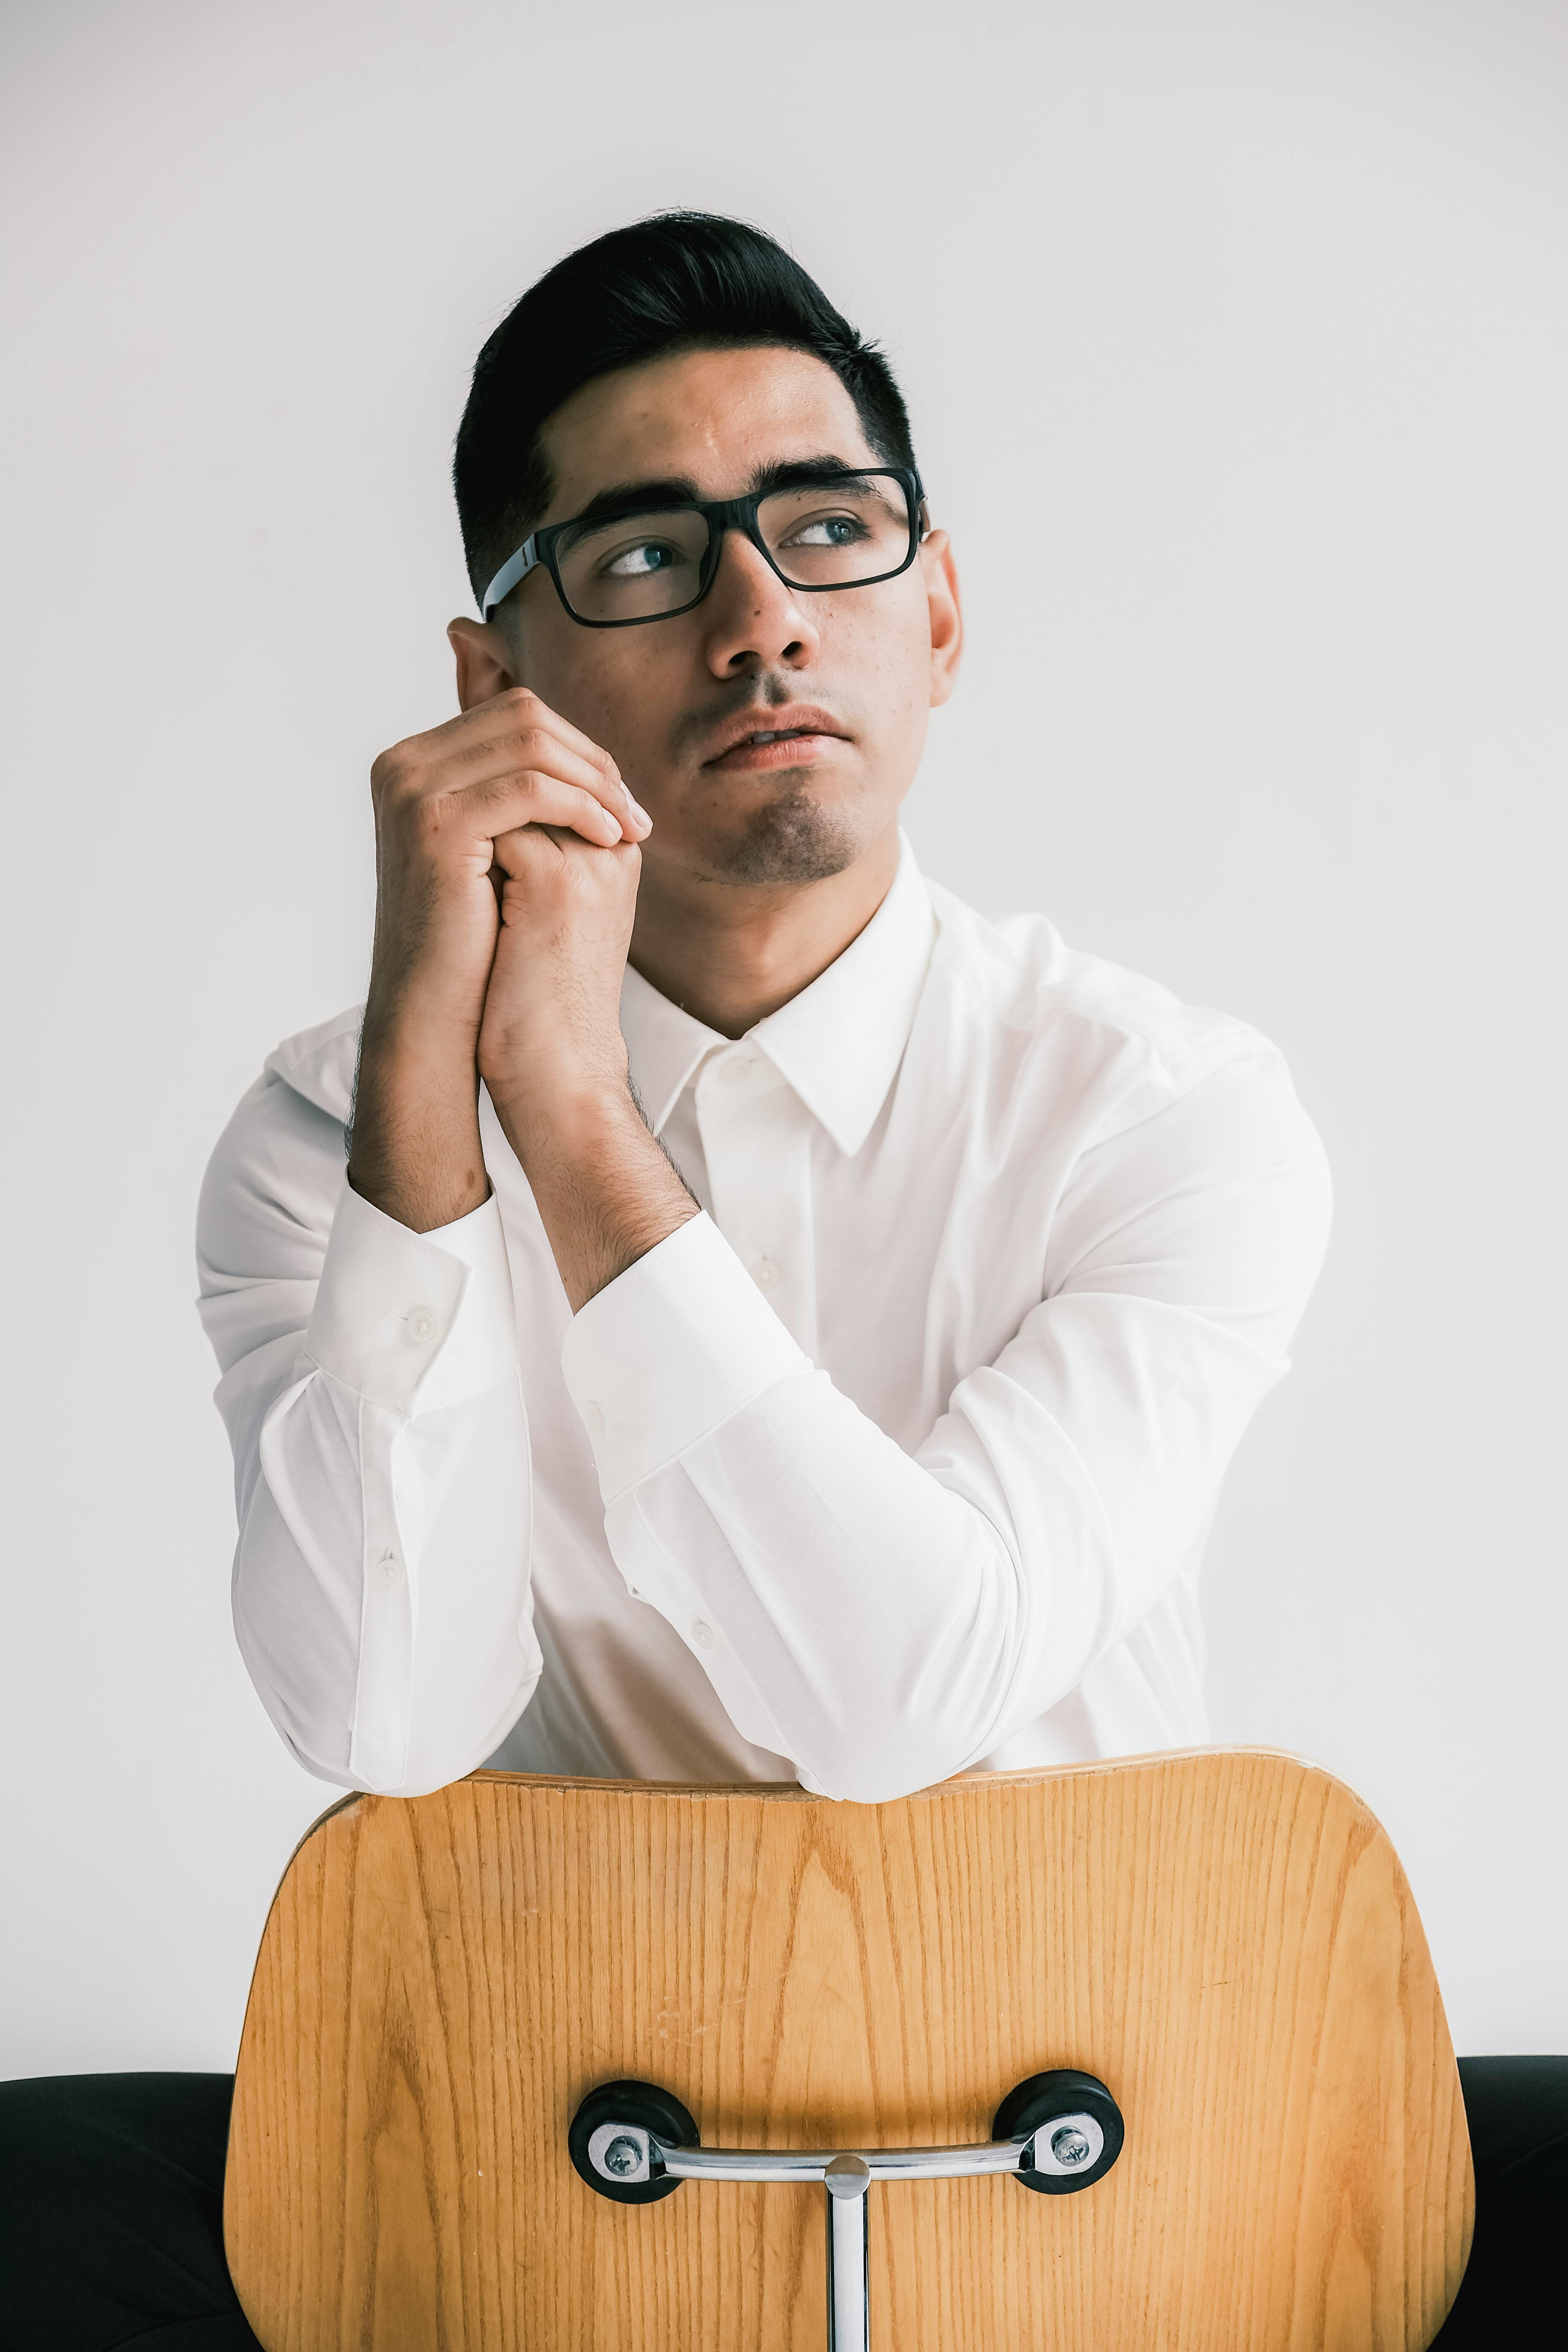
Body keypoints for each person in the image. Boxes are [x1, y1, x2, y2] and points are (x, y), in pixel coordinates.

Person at [1, 214, 1556, 2347]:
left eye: (827, 532)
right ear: (496, 686)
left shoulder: (1167, 1113)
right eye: (646, 555)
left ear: (936, 608)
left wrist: (578, 1120)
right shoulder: (332, 1137)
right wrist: (443, 1124)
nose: (758, 621)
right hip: (548, 2194)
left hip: (1121, 2182)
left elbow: (894, 1702)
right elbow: (383, 1718)